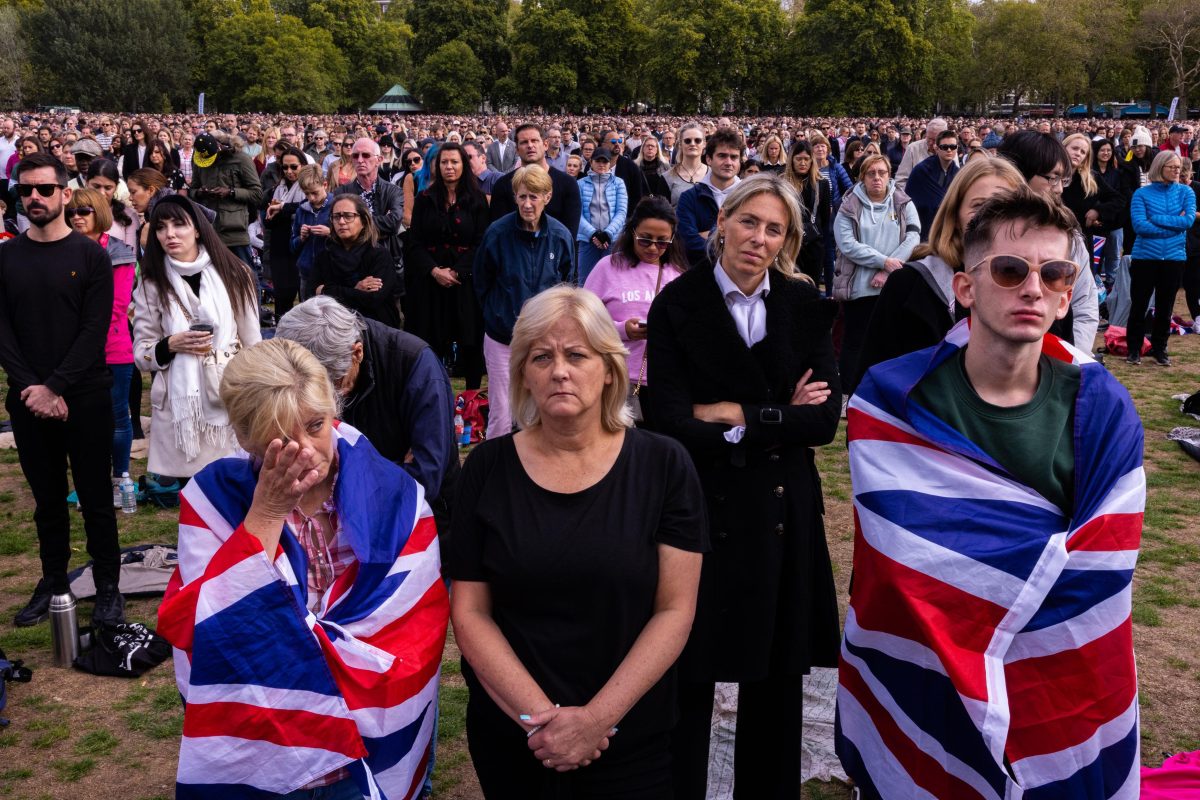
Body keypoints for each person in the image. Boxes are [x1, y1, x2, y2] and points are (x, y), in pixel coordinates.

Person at [838, 188, 1144, 799]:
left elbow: (1101, 567)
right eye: (1009, 270)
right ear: (966, 288)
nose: (1032, 289)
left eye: (1053, 274)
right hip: (927, 669)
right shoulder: (892, 402)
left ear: (1067, 295)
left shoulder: (1104, 408)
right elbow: (900, 559)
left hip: (1057, 680)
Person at [156, 337, 448, 798]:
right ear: (245, 437)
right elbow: (206, 626)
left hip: (363, 757)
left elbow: (415, 623)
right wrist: (267, 513)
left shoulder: (393, 496)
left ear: (334, 411)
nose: (306, 450)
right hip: (268, 750)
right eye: (282, 438)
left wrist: (301, 647)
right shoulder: (214, 500)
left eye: (315, 425)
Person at [446, 285, 706, 798]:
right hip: (517, 737)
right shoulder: (486, 469)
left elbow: (675, 610)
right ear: (523, 373)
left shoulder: (664, 465)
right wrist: (540, 721)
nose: (559, 371)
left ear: (609, 368)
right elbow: (470, 612)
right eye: (541, 357)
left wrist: (595, 721)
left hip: (631, 737)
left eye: (577, 355)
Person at [648, 174, 841, 799]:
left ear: (787, 240)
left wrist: (733, 414)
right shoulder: (678, 303)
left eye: (774, 229)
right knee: (689, 672)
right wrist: (776, 416)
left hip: (783, 509)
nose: (759, 238)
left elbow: (822, 422)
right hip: (700, 506)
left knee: (776, 682)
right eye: (750, 222)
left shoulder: (803, 303)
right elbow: (668, 420)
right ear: (722, 222)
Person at [0, 153, 125, 629]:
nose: (34, 197)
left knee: (96, 499)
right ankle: (54, 582)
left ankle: (108, 586)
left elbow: (94, 330)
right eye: (25, 190)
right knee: (47, 502)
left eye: (44, 189)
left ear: (64, 193)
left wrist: (54, 386)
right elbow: (2, 332)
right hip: (28, 398)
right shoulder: (6, 257)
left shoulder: (91, 256)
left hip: (85, 394)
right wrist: (33, 388)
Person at [276, 296, 459, 531]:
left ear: (357, 353)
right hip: (334, 525)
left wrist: (333, 478)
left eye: (334, 384)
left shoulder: (415, 364)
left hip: (416, 523)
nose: (329, 402)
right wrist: (392, 469)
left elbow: (423, 478)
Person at [132, 195, 262, 482]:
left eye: (179, 224)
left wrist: (254, 395)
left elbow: (253, 342)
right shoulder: (151, 282)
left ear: (198, 229)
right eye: (161, 227)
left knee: (234, 487)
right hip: (181, 409)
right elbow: (141, 352)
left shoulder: (234, 273)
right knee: (192, 492)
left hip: (227, 394)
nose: (170, 234)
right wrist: (170, 344)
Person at [858, 156, 1027, 377]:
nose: (991, 216)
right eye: (978, 206)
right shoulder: (909, 284)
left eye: (1004, 206)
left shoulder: (1041, 286)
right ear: (955, 215)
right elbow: (872, 376)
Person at [474, 165, 576, 438]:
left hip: (545, 338)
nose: (527, 204)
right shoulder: (497, 234)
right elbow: (482, 281)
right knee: (501, 412)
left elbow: (568, 286)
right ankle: (497, 460)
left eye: (534, 196)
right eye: (522, 197)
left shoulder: (560, 236)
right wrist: (497, 314)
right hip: (502, 336)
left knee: (541, 407)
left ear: (547, 197)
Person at [583, 196, 688, 426]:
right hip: (614, 378)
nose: (653, 248)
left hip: (663, 381)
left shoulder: (678, 274)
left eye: (662, 242)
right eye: (645, 239)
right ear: (632, 232)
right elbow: (583, 321)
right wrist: (622, 330)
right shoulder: (608, 267)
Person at [65, 188, 138, 507]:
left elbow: (117, 305)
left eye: (84, 211)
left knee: (117, 415)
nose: (76, 217)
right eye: (71, 212)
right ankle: (90, 482)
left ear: (100, 212)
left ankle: (120, 479)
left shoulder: (120, 252)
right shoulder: (62, 250)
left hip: (112, 347)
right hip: (72, 350)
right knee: (81, 418)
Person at [997, 131, 1100, 353]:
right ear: (1017, 174)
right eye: (1052, 178)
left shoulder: (1070, 239)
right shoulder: (985, 235)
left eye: (1063, 179)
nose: (1059, 188)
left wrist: (1072, 356)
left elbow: (1084, 304)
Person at [833, 154, 920, 397]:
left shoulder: (903, 202)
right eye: (871, 173)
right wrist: (883, 261)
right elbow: (847, 243)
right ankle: (848, 394)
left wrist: (887, 269)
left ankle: (883, 394)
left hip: (893, 284)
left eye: (882, 173)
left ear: (889, 175)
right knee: (855, 342)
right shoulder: (849, 205)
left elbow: (913, 237)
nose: (877, 178)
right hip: (859, 286)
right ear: (862, 177)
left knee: (889, 340)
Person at [405, 142, 490, 389]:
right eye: (444, 162)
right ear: (436, 166)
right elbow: (414, 242)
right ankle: (433, 392)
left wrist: (457, 271)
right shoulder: (425, 199)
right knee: (431, 340)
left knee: (470, 341)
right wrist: (434, 271)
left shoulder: (477, 200)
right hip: (431, 281)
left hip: (465, 281)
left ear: (463, 164)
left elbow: (481, 241)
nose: (449, 167)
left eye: (454, 162)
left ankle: (472, 397)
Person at [1125, 151, 1196, 365]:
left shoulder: (1186, 192)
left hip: (1174, 257)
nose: (1176, 171)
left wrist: (1155, 219)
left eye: (1178, 167)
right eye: (1172, 167)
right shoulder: (1141, 194)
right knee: (1139, 305)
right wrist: (1174, 225)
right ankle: (1134, 349)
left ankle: (1160, 348)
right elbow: (1140, 226)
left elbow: (1188, 221)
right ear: (1159, 167)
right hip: (1145, 257)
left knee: (1166, 307)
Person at [311, 194, 401, 328]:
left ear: (364, 221)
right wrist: (355, 290)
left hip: (374, 327)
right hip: (333, 327)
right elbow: (312, 295)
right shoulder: (325, 256)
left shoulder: (379, 255)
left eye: (348, 216)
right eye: (336, 216)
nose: (341, 222)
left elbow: (373, 299)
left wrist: (326, 290)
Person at [488, 124, 583, 239]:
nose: (530, 145)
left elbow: (569, 235)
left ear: (545, 145)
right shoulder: (503, 185)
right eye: (524, 142)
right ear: (517, 150)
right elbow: (499, 233)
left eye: (534, 141)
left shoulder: (568, 184)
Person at [189, 131, 264, 269]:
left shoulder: (241, 159)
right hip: (208, 229)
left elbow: (257, 194)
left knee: (245, 274)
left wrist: (230, 192)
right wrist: (200, 193)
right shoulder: (199, 158)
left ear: (220, 147)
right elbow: (192, 190)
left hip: (235, 231)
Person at [677, 127, 743, 267]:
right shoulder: (689, 198)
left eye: (734, 157)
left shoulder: (750, 197)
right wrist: (729, 244)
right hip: (700, 271)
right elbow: (687, 242)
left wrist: (708, 235)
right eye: (722, 156)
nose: (728, 162)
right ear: (709, 159)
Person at [262, 146, 306, 318]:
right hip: (280, 248)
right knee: (282, 299)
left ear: (303, 166)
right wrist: (273, 212)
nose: (289, 171)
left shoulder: (308, 187)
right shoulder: (277, 189)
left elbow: (307, 207)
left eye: (294, 167)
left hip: (301, 248)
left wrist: (282, 208)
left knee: (305, 300)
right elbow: (268, 223)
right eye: (285, 167)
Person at [577, 147, 630, 282]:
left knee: (612, 281)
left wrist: (607, 234)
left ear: (610, 163)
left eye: (605, 161)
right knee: (586, 281)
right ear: (591, 162)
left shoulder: (618, 183)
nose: (601, 164)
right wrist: (593, 234)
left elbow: (621, 211)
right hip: (588, 240)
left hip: (612, 240)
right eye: (598, 161)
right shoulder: (580, 184)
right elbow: (578, 213)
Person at [783, 140, 831, 284]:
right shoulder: (783, 183)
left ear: (811, 161)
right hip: (789, 242)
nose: (802, 163)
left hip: (814, 244)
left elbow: (825, 218)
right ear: (792, 160)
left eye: (806, 159)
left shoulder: (821, 183)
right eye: (798, 159)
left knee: (811, 286)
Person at [904, 129, 961, 241]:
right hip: (924, 226)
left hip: (948, 229)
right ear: (937, 148)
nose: (949, 150)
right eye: (944, 147)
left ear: (957, 148)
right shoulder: (921, 170)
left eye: (953, 147)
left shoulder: (958, 173)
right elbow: (909, 201)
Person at [291, 164, 332, 302]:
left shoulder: (336, 206)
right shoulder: (301, 210)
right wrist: (301, 238)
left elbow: (350, 238)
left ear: (325, 185)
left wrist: (330, 233)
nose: (311, 198)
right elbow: (292, 245)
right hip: (306, 272)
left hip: (331, 271)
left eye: (315, 193)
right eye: (307, 194)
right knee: (307, 310)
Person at [665, 123, 709, 206]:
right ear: (680, 144)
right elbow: (661, 212)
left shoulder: (714, 175)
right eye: (687, 141)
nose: (692, 144)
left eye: (697, 140)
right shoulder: (667, 177)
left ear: (704, 144)